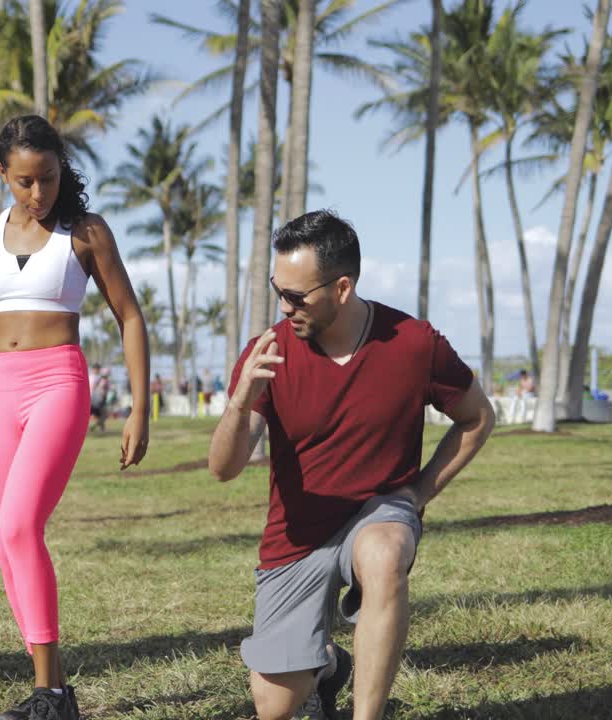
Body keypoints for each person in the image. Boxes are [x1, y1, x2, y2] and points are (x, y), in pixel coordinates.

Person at [207, 210, 495, 720]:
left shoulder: (414, 343)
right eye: (278, 290)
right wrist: (239, 401)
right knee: (273, 708)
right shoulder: (267, 352)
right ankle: (325, 667)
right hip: (297, 538)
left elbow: (477, 418)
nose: (284, 306)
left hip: (379, 513)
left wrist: (418, 493)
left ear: (342, 288)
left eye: (297, 296)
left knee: (384, 554)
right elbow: (223, 469)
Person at [0, 115, 150, 720]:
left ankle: (51, 695)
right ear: (2, 174)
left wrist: (140, 407)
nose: (38, 192)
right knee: (4, 538)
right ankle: (50, 690)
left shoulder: (86, 232)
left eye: (48, 177)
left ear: (61, 169)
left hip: (58, 384)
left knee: (21, 524)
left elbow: (130, 317)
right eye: (25, 180)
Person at [89, 366, 111, 433]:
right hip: (100, 400)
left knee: (102, 415)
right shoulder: (103, 381)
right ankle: (97, 427)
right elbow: (100, 390)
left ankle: (99, 428)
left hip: (100, 400)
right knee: (103, 415)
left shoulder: (102, 380)